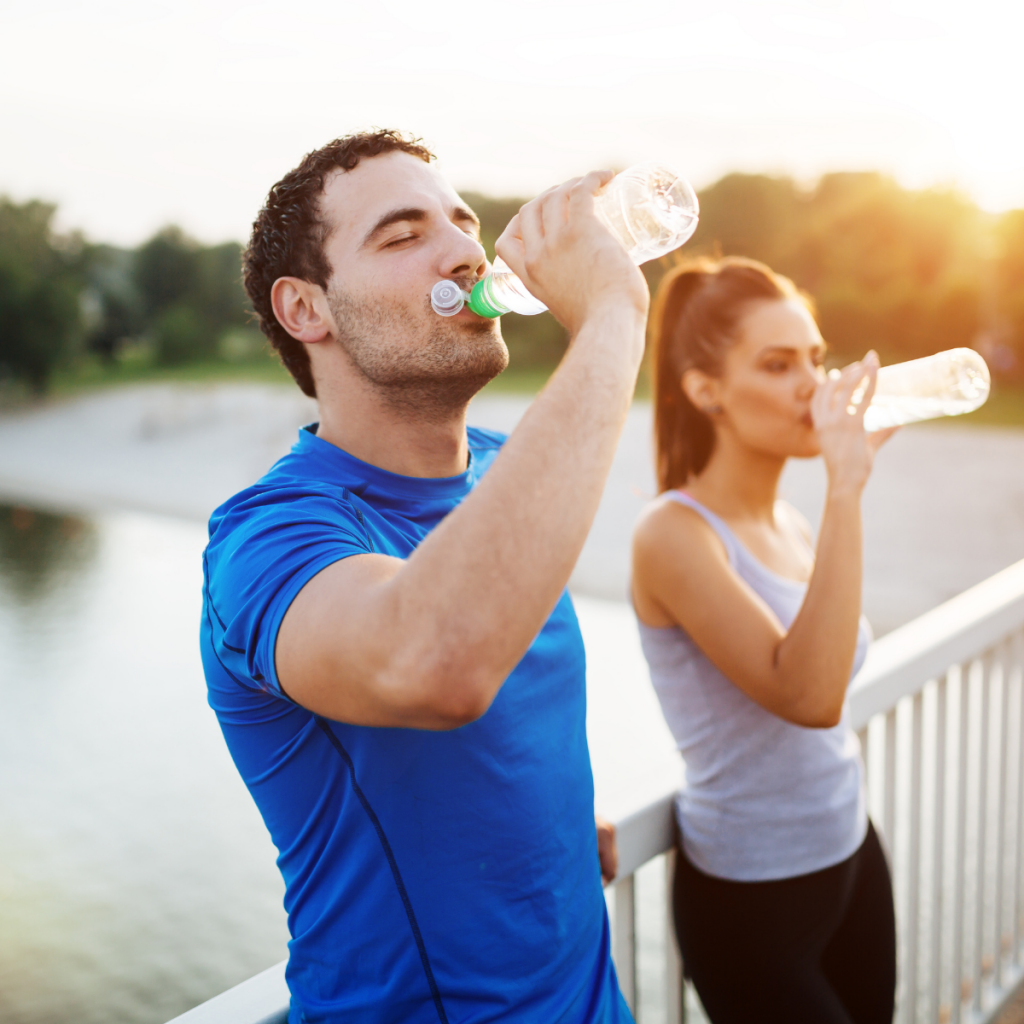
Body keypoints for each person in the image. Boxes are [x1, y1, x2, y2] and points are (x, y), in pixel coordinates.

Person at [199, 129, 648, 1023]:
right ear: (306, 309)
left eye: (464, 223)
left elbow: (504, 739)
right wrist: (612, 314)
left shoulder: (506, 468)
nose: (465, 252)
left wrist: (552, 830)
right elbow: (435, 662)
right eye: (404, 235)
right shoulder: (266, 540)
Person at [630, 257, 898, 1024]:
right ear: (705, 390)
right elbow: (810, 696)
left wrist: (838, 497)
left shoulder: (790, 523)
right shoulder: (674, 535)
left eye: (816, 358)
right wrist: (846, 486)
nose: (814, 385)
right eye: (778, 365)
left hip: (849, 851)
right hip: (752, 898)